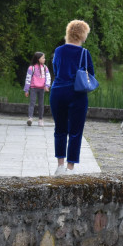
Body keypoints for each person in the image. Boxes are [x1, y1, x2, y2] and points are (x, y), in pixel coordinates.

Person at [50, 20, 93, 175]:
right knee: (75, 131)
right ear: (82, 34)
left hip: (58, 92)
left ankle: (60, 165)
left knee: (59, 129)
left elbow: (55, 68)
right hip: (77, 94)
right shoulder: (84, 53)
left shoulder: (59, 51)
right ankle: (70, 167)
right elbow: (91, 75)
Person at [23, 52, 51, 127]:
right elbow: (28, 79)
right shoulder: (31, 68)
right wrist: (26, 89)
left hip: (42, 89)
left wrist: (47, 86)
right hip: (33, 88)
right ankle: (30, 118)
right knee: (32, 103)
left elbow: (48, 77)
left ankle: (40, 119)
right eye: (43, 58)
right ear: (38, 59)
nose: (44, 59)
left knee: (41, 104)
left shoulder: (45, 68)